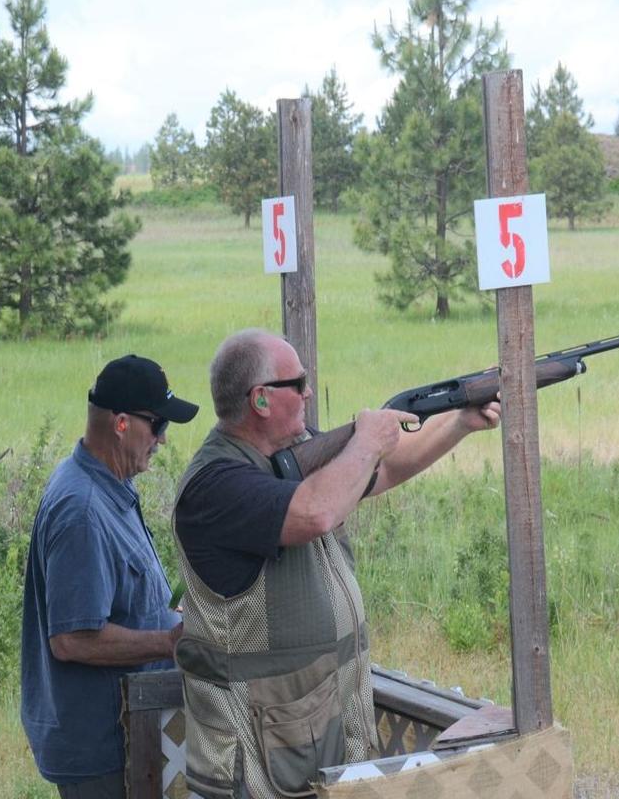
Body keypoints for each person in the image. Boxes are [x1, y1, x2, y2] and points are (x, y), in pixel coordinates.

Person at [172, 329, 501, 799]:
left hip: (310, 745)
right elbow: (316, 512)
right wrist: (365, 439)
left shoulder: (287, 457)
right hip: (255, 764)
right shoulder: (216, 485)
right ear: (260, 400)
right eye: (297, 382)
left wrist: (458, 422)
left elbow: (381, 471)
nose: (308, 391)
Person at [21, 355, 199, 799]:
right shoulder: (81, 510)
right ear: (122, 423)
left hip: (130, 728)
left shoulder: (110, 483)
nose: (162, 439)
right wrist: (169, 642)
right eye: (157, 425)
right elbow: (72, 639)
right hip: (101, 745)